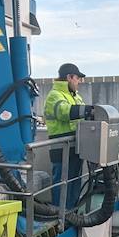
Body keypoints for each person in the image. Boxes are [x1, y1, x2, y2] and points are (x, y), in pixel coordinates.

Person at [42, 62, 88, 206]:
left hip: (76, 147)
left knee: (74, 183)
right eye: (77, 78)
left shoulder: (76, 97)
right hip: (61, 148)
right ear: (69, 77)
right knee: (62, 185)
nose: (79, 82)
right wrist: (88, 110)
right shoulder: (54, 96)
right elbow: (63, 112)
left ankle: (72, 214)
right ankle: (60, 217)